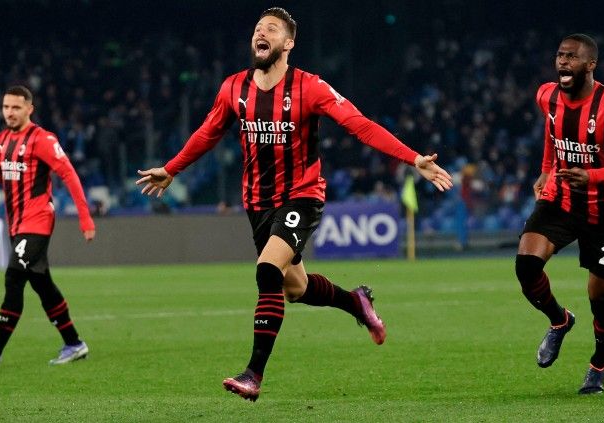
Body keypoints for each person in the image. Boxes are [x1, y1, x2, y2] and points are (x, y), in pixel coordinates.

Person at [137, 7, 453, 401]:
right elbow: (208, 132)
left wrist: (412, 158)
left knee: (267, 269)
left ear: (288, 43)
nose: (260, 33)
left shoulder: (311, 87)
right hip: (257, 203)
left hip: (301, 195)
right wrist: (172, 168)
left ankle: (253, 374)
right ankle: (356, 301)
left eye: (270, 29)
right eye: (257, 28)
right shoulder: (233, 88)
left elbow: (360, 124)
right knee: (296, 288)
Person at [516, 34, 604, 394]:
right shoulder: (547, 94)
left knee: (601, 300)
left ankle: (598, 364)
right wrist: (545, 169)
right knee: (526, 264)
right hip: (561, 198)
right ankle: (560, 320)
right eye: (559, 55)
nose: (562, 62)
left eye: (572, 57)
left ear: (590, 65)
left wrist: (592, 175)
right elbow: (552, 128)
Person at [0, 85, 96, 367]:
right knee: (42, 284)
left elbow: (69, 174)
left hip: (38, 221)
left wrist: (85, 217)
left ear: (29, 109)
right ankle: (74, 343)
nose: (9, 113)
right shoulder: (1, 140)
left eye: (15, 107)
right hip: (17, 225)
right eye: (5, 107)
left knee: (13, 276)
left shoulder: (42, 139)